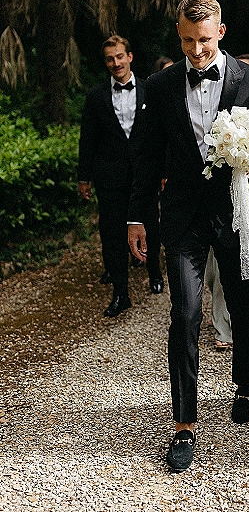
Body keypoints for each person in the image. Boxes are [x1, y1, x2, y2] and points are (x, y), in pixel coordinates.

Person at [127, 0, 249, 473]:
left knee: (245, 305)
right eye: (186, 41)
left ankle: (245, 385)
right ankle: (183, 423)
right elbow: (145, 157)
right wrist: (137, 217)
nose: (196, 51)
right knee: (185, 312)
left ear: (220, 33)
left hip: (237, 213)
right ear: (178, 36)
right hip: (181, 215)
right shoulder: (159, 87)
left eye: (203, 40)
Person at [78, 35, 164, 318]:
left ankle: (155, 273)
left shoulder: (151, 89)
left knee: (150, 223)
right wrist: (84, 177)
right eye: (110, 59)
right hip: (110, 177)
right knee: (112, 234)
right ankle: (120, 293)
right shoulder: (96, 96)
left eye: (120, 57)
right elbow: (87, 139)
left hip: (145, 175)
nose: (116, 63)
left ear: (130, 57)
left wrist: (163, 170)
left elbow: (158, 135)